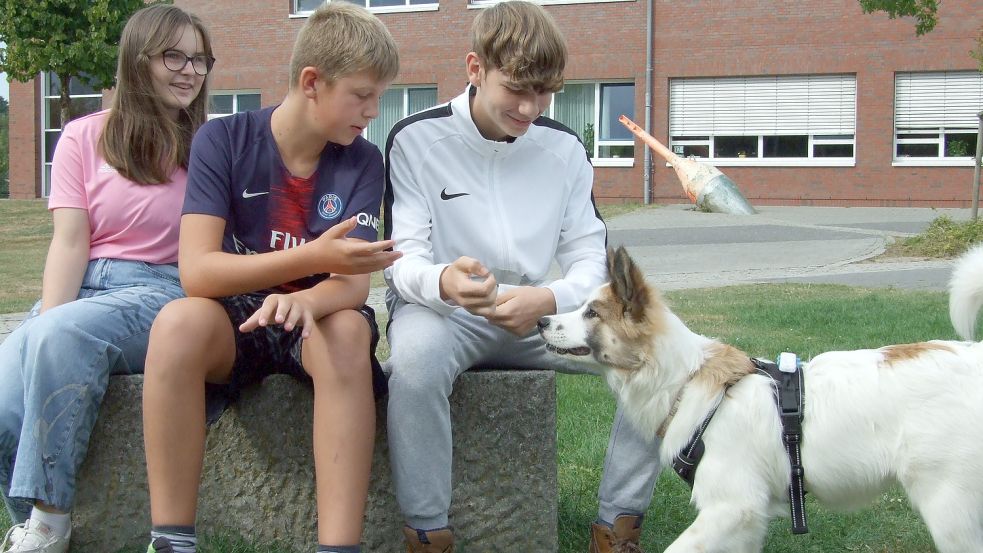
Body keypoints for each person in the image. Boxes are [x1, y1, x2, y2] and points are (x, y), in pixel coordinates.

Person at [383, 1, 662, 551]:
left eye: (546, 92)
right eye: (517, 89)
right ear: (474, 69)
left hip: (539, 317)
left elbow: (590, 257)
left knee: (653, 358)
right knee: (413, 365)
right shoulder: (414, 139)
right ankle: (427, 534)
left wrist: (547, 297)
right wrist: (443, 281)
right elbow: (401, 259)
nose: (531, 107)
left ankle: (616, 528)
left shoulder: (564, 148)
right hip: (443, 315)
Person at [139, 3, 400, 553]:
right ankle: (170, 540)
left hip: (318, 317)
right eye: (362, 95)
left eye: (378, 97)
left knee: (349, 332)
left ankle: (339, 546)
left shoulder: (363, 160)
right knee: (175, 324)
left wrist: (309, 299)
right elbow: (197, 272)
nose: (372, 111)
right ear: (312, 82)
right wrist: (307, 261)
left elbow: (351, 283)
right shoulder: (222, 141)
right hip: (239, 315)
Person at [0, 5, 213, 553]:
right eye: (174, 56)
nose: (189, 70)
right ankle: (25, 513)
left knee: (59, 337)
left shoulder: (212, 146)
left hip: (162, 289)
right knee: (7, 381)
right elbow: (70, 242)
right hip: (89, 286)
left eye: (199, 59)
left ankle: (50, 524)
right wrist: (48, 320)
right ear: (137, 61)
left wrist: (56, 331)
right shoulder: (81, 137)